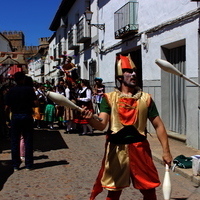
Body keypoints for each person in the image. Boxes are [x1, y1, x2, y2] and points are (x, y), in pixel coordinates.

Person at [81, 54, 172, 200]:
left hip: (140, 148)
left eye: (135, 71)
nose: (134, 74)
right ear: (119, 77)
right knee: (114, 191)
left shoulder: (146, 98)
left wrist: (166, 151)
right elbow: (102, 124)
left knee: (149, 190)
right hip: (116, 149)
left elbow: (158, 125)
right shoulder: (108, 98)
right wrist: (90, 119)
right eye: (129, 71)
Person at [5, 72, 38, 171]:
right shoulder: (29, 90)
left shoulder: (10, 91)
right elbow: (36, 103)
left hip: (15, 116)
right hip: (27, 116)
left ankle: (15, 164)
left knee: (15, 141)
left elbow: (6, 107)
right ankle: (28, 164)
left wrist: (7, 119)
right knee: (28, 140)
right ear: (23, 79)